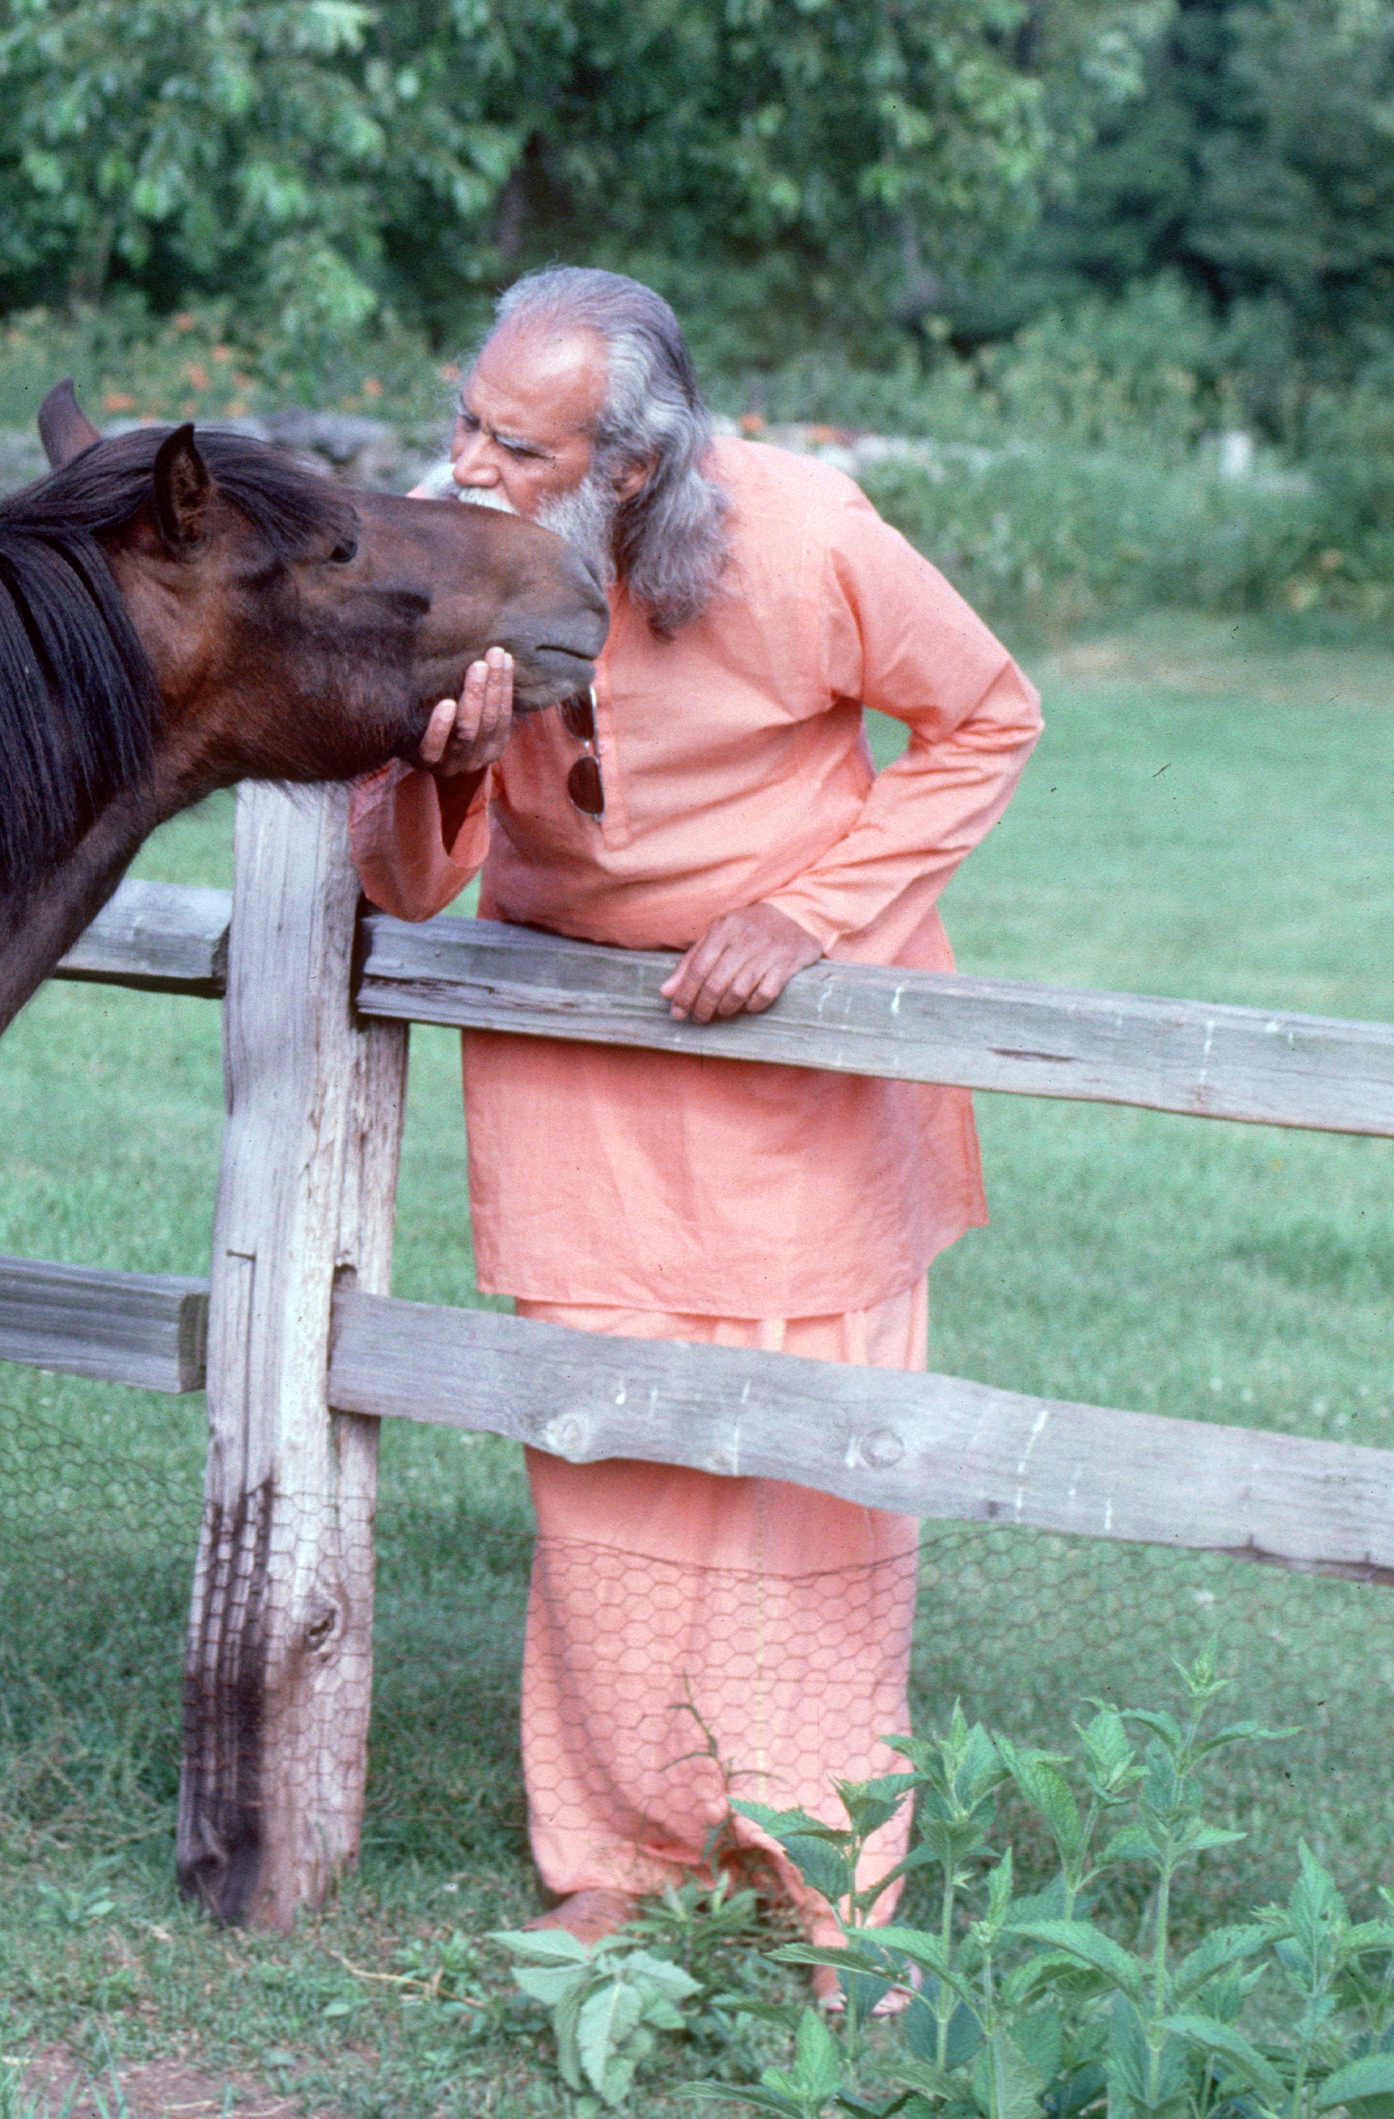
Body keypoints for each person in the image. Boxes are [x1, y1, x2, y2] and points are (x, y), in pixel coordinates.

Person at [355, 267, 1042, 1951]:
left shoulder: (805, 532)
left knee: (811, 1461)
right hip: (580, 1073)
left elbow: (986, 717)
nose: (466, 467)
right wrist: (446, 762)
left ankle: (828, 1881)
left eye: (519, 447)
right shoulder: (453, 567)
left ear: (635, 468)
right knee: (601, 1456)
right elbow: (402, 882)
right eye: (467, 422)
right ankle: (624, 1859)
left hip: (796, 1061)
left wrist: (808, 919)